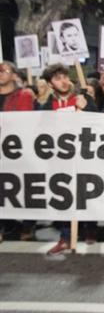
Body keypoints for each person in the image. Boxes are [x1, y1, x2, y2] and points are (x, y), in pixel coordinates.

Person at [38, 63, 98, 255]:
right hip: (59, 159)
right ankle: (65, 237)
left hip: (84, 156)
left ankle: (90, 229)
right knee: (64, 196)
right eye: (57, 79)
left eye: (64, 77)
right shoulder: (46, 105)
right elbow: (40, 130)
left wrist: (87, 107)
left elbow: (100, 122)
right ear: (50, 83)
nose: (63, 81)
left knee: (87, 193)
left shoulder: (82, 97)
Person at [0, 61, 36, 243]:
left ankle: (27, 225)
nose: (0, 73)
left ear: (14, 75)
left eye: (4, 70)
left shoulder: (24, 96)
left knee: (24, 188)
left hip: (20, 151)